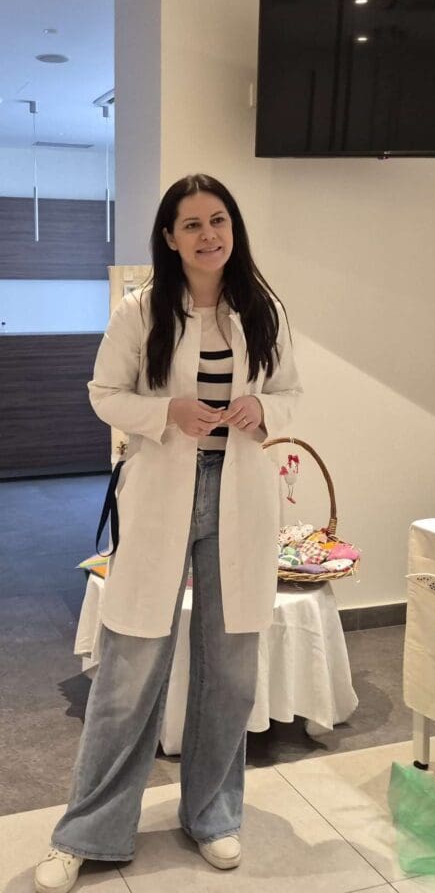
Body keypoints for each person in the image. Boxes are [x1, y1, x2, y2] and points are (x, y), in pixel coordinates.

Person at [34, 174, 302, 893]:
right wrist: (165, 414)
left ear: (233, 229)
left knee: (231, 668)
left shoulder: (263, 309)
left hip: (240, 496)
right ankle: (87, 832)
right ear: (169, 237)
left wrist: (262, 410)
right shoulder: (141, 310)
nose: (208, 235)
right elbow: (103, 393)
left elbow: (291, 391)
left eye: (219, 221)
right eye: (192, 225)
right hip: (160, 493)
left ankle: (212, 815)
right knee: (129, 669)